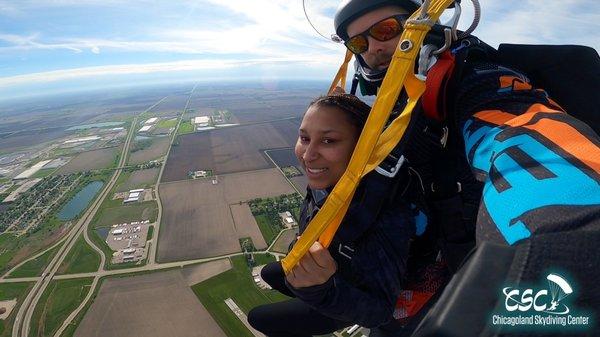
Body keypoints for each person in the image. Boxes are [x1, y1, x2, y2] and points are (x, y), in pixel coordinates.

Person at [327, 0, 600, 335]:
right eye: (359, 43)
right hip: (435, 255)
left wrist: (564, 241)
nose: (374, 48)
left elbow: (521, 133)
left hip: (468, 259)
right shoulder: (405, 97)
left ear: (422, 28)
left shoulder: (476, 76)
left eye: (385, 30)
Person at [248, 94, 422, 336]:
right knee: (269, 273)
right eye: (305, 138)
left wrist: (321, 291)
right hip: (338, 266)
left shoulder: (383, 213)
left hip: (347, 291)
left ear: (362, 149)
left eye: (328, 141)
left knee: (258, 319)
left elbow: (380, 312)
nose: (308, 155)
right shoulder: (333, 184)